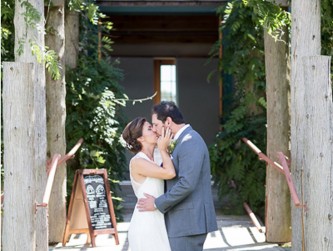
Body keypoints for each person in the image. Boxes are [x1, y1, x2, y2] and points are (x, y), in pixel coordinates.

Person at [137, 101, 218, 251]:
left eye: (156, 124)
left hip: (189, 222)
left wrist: (156, 203)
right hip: (182, 222)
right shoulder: (180, 141)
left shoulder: (190, 141)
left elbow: (187, 183)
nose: (154, 129)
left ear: (168, 121)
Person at [121, 117, 175, 251]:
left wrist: (164, 149)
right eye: (149, 129)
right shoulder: (137, 162)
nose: (155, 130)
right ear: (140, 138)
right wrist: (163, 149)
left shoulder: (157, 156)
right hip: (146, 224)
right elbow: (169, 173)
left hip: (159, 219)